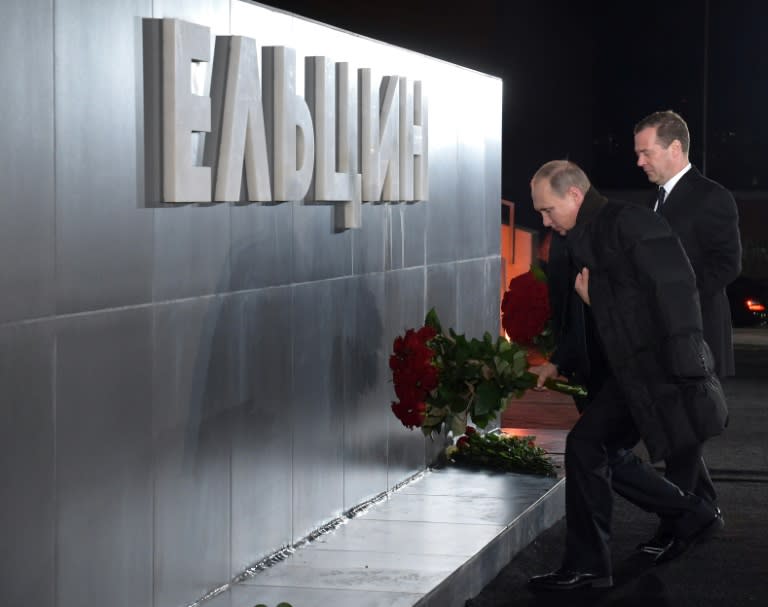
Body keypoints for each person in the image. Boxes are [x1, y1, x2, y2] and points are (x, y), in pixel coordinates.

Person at [526, 160, 727, 591]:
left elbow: (669, 296)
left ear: (574, 196)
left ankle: (591, 566)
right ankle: (687, 514)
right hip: (626, 369)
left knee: (586, 445)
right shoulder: (584, 235)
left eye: (547, 210)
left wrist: (595, 294)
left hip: (653, 368)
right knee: (598, 451)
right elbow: (582, 317)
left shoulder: (628, 225)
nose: (544, 220)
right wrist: (558, 361)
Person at [633, 109, 741, 554]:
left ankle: (675, 526)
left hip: (697, 339)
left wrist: (679, 298)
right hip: (668, 338)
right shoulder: (658, 200)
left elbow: (727, 264)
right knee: (682, 435)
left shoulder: (711, 197)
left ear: (675, 149)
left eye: (646, 152)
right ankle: (704, 511)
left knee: (683, 436)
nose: (639, 161)